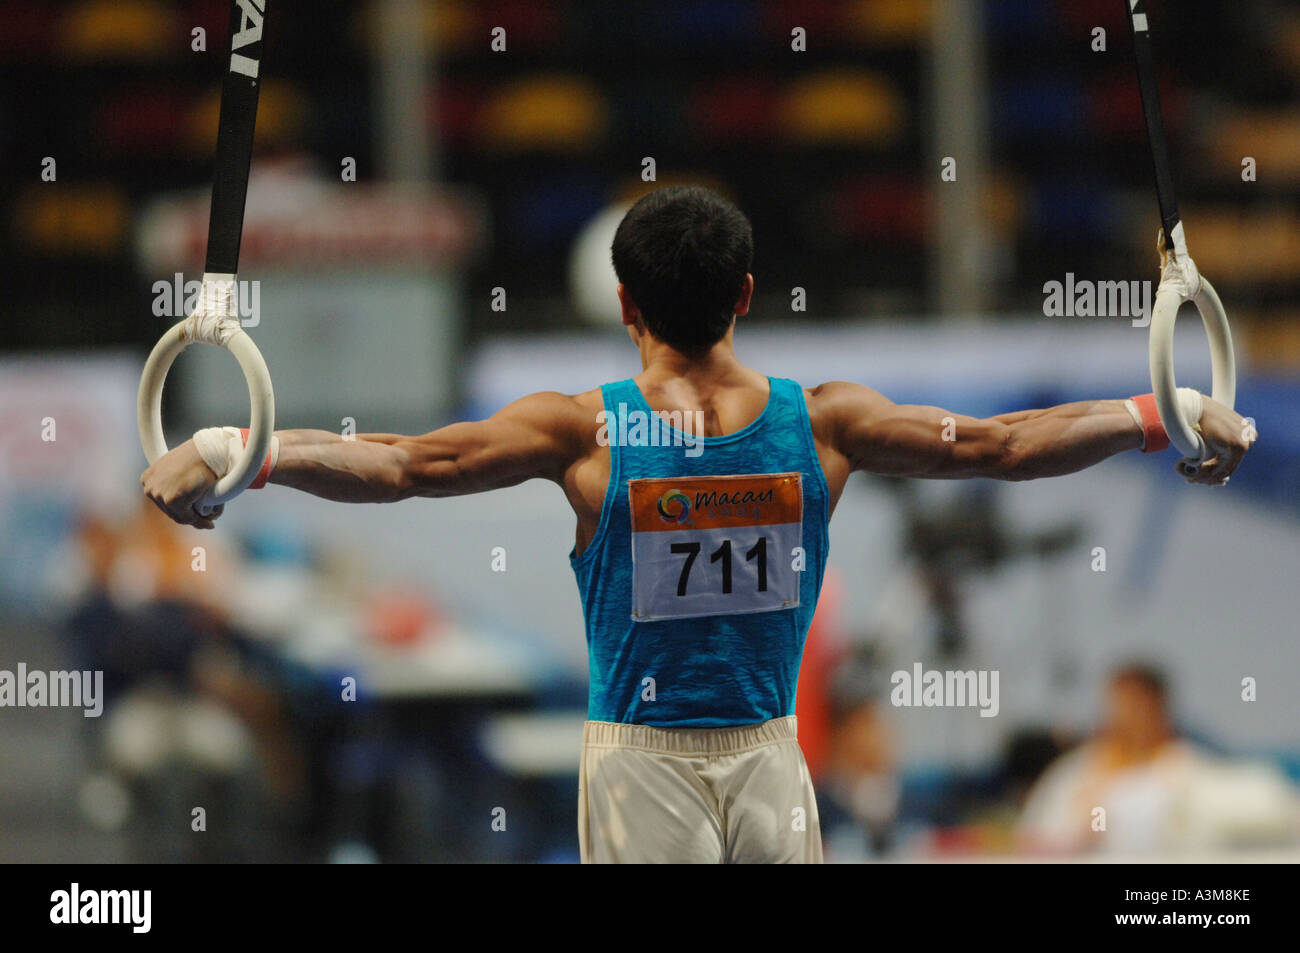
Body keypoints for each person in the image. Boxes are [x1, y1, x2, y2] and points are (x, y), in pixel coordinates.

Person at [141, 185, 1256, 863]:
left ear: (623, 306)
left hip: (668, 760)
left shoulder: (582, 434)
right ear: (748, 293)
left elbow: (402, 464)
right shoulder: (825, 425)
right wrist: (1160, 411)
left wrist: (247, 453)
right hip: (758, 758)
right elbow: (1008, 444)